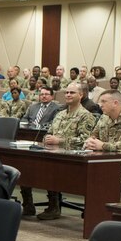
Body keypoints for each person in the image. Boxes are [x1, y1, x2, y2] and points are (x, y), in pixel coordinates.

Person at [20, 83, 97, 219]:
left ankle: (54, 206)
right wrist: (47, 138)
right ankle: (28, 204)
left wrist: (60, 141)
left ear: (81, 95)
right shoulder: (60, 114)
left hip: (71, 157)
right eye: (66, 92)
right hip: (51, 152)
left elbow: (85, 141)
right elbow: (49, 133)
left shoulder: (86, 116)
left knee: (50, 168)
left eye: (72, 93)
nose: (68, 95)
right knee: (26, 164)